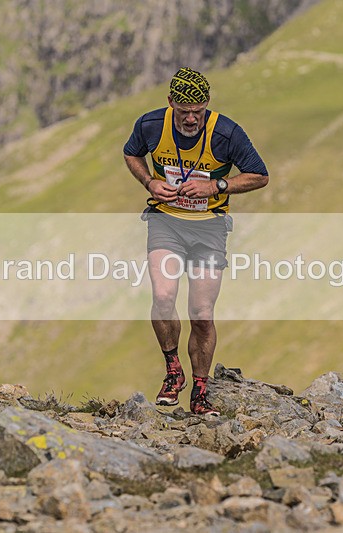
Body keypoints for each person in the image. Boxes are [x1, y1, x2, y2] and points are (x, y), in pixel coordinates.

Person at [123, 67, 269, 416]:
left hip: (209, 229)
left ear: (207, 105)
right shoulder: (151, 125)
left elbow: (260, 176)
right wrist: (148, 182)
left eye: (199, 111)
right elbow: (131, 153)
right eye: (185, 111)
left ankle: (200, 392)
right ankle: (174, 371)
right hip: (166, 222)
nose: (191, 119)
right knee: (162, 296)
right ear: (170, 102)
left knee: (201, 313)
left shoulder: (227, 133)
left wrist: (216, 186)